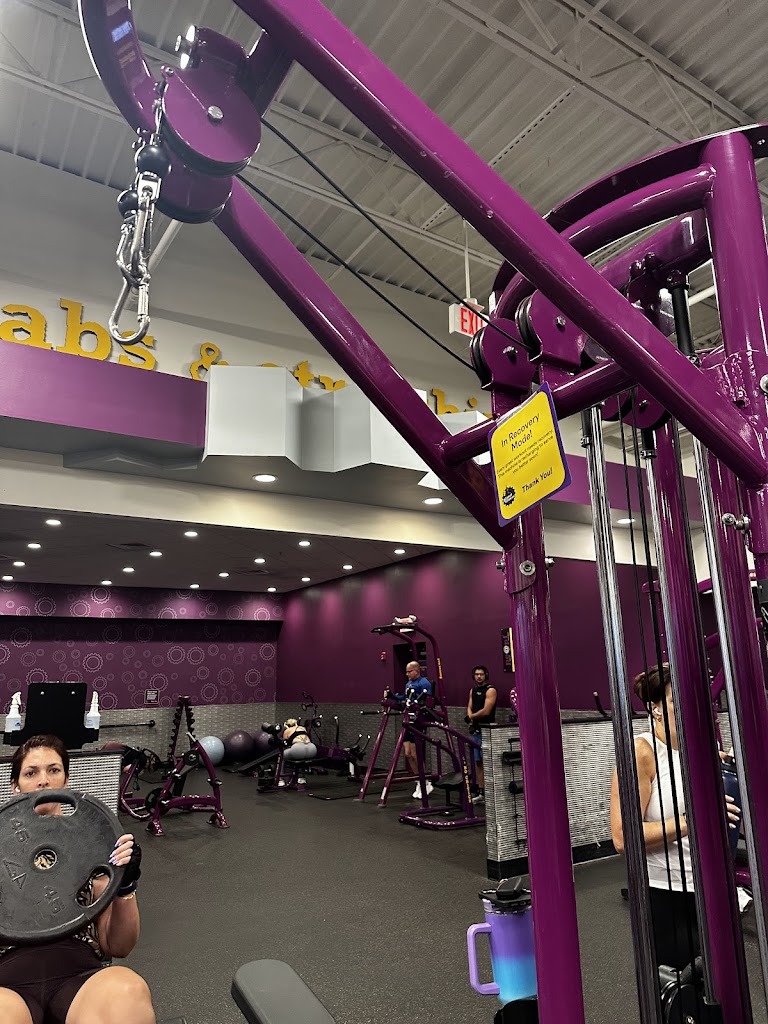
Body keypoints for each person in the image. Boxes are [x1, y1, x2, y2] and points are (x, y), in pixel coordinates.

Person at [0, 734, 156, 1024]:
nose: (43, 781)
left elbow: (119, 947)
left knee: (127, 992)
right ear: (15, 787)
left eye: (53, 770)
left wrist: (125, 885)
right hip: (7, 978)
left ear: (66, 781)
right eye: (31, 773)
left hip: (78, 973)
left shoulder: (93, 849)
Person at [609, 666, 740, 969]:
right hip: (664, 892)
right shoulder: (641, 753)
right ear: (654, 708)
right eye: (675, 699)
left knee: (720, 982)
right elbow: (622, 838)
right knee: (679, 986)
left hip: (710, 886)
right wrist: (694, 818)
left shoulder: (704, 749)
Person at [385, 661, 433, 798]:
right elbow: (405, 698)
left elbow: (427, 701)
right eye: (406, 671)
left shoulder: (424, 683)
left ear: (417, 671)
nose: (407, 674)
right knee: (408, 754)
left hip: (418, 721)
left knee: (416, 753)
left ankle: (426, 782)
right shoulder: (408, 684)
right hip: (408, 720)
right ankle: (419, 781)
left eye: (409, 671)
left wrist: (416, 704)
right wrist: (392, 696)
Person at [466, 665, 497, 804]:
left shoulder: (491, 690)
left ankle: (492, 794)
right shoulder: (472, 690)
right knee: (478, 763)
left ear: (486, 675)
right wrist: (470, 716)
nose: (479, 676)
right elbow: (469, 706)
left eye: (481, 674)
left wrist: (472, 717)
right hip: (475, 731)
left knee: (488, 762)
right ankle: (482, 793)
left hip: (487, 730)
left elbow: (486, 711)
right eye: (477, 674)